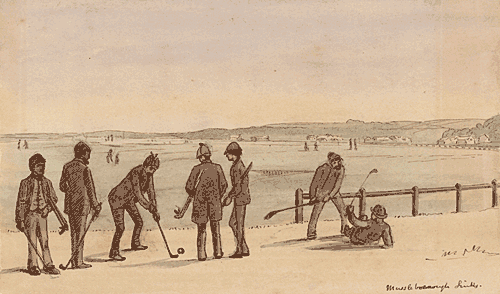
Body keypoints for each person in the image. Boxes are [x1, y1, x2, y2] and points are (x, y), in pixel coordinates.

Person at [178, 143, 228, 261]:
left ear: (201, 157)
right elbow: (224, 185)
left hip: (200, 204)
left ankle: (201, 254)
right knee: (215, 228)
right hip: (215, 203)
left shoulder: (196, 169)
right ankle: (218, 252)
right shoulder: (218, 167)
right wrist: (217, 197)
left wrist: (197, 193)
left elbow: (189, 187)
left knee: (201, 229)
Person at [107, 153, 161, 261]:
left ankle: (135, 244)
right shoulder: (136, 172)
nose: (152, 171)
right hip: (117, 199)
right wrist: (148, 207)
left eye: (154, 169)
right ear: (145, 165)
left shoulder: (149, 175)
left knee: (139, 222)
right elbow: (138, 193)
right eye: (151, 168)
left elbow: (151, 191)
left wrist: (154, 207)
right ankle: (114, 252)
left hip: (128, 199)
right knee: (120, 227)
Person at [15, 154, 61, 276]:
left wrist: (48, 208)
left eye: (43, 166)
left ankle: (48, 264)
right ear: (32, 167)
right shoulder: (25, 183)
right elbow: (21, 202)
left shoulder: (47, 182)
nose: (41, 168)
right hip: (30, 215)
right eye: (38, 166)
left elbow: (54, 199)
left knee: (45, 240)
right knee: (32, 241)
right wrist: (20, 220)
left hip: (43, 215)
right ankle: (33, 265)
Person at [59, 141, 101, 269]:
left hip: (71, 205)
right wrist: (96, 205)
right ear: (83, 154)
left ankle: (75, 261)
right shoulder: (85, 169)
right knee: (80, 234)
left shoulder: (67, 166)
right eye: (88, 154)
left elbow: (62, 186)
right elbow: (91, 190)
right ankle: (78, 262)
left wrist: (70, 190)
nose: (89, 157)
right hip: (83, 206)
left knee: (74, 234)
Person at [307, 152, 347, 240]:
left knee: (343, 211)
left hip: (334, 193)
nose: (336, 163)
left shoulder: (341, 169)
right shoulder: (322, 169)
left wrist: (330, 196)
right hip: (321, 193)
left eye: (338, 161)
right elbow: (314, 184)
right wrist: (313, 197)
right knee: (315, 213)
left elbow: (337, 185)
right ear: (330, 161)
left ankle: (345, 229)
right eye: (334, 161)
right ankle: (311, 232)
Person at [222, 142, 250, 258]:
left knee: (237, 224)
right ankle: (244, 248)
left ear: (234, 154)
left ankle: (240, 250)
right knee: (235, 223)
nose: (227, 156)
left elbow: (239, 187)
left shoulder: (238, 166)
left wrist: (230, 197)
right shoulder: (237, 165)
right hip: (240, 198)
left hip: (241, 199)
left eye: (228, 154)